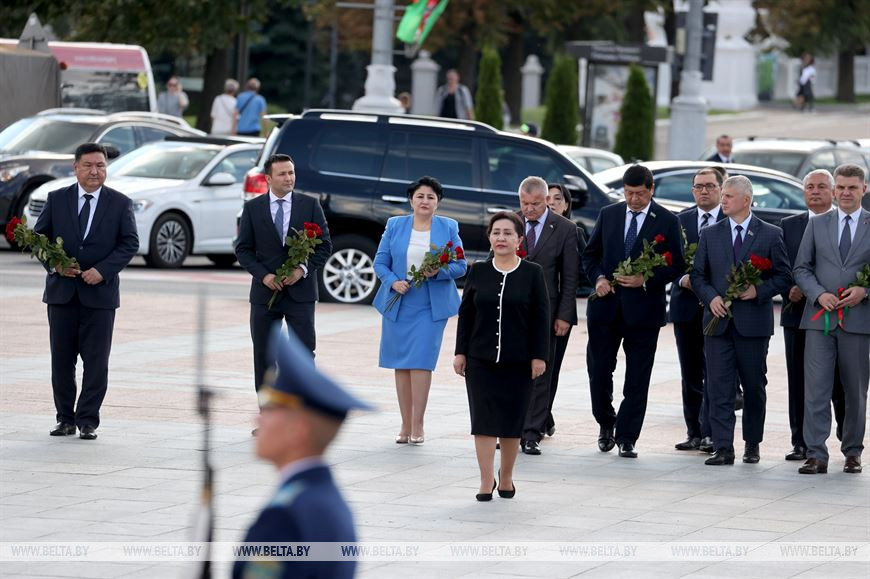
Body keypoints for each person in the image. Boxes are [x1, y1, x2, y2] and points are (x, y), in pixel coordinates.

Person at [233, 327, 371, 579]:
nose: (258, 418)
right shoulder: (326, 501)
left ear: (298, 430)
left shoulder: (285, 515)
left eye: (270, 410)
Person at [33, 142, 139, 439]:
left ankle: (88, 420)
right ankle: (65, 418)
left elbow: (129, 243)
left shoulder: (120, 203)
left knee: (96, 362)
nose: (95, 171)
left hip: (100, 297)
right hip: (62, 295)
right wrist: (55, 265)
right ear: (75, 168)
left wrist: (103, 271)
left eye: (101, 166)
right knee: (62, 360)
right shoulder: (57, 199)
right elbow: (38, 239)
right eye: (89, 165)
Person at [582, 164, 684, 458]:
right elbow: (590, 255)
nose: (634, 200)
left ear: (651, 190)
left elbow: (676, 264)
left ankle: (627, 436)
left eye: (640, 194)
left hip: (644, 311)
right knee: (599, 370)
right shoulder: (609, 214)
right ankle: (606, 423)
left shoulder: (666, 220)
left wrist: (646, 279)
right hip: (606, 309)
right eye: (629, 193)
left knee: (638, 377)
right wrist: (599, 279)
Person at [690, 175, 791, 466]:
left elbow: (784, 277)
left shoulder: (770, 234)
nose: (722, 201)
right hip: (717, 324)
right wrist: (710, 298)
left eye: (728, 197)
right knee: (718, 387)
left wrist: (758, 290)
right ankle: (723, 447)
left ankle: (752, 444)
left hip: (752, 326)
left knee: (754, 387)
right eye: (722, 196)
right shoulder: (710, 233)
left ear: (746, 200)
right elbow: (698, 275)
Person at [454, 212, 549, 501]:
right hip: (480, 360)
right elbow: (466, 314)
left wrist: (539, 356)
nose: (501, 238)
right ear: (489, 237)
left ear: (520, 239)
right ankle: (485, 480)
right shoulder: (479, 271)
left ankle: (505, 476)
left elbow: (541, 317)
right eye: (496, 232)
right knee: (482, 421)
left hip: (519, 361)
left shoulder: (532, 273)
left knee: (511, 422)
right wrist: (460, 352)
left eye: (508, 233)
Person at [372, 176, 467, 445]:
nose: (425, 201)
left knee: (421, 361)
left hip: (430, 305)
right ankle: (404, 424)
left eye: (431, 197)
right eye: (420, 196)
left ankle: (418, 424)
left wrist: (438, 271)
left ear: (438, 203)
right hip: (399, 302)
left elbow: (461, 266)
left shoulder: (448, 227)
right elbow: (380, 262)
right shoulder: (395, 225)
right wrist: (393, 282)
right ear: (411, 199)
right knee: (401, 364)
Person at [235, 154, 333, 401]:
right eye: (282, 174)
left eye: (291, 172)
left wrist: (302, 269)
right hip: (264, 294)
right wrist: (263, 276)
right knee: (264, 356)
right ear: (268, 178)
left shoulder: (310, 205)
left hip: (300, 294)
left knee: (302, 355)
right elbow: (243, 249)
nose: (289, 178)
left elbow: (324, 246)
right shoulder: (252, 208)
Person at [794, 163, 869, 475]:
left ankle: (852, 451)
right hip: (819, 320)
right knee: (816, 389)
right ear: (835, 190)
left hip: (858, 321)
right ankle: (815, 454)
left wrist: (864, 289)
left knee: (855, 391)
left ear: (864, 189)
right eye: (841, 187)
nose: (846, 193)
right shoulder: (818, 224)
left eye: (852, 187)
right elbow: (801, 268)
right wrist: (818, 294)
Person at [780, 169, 847, 462]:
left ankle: (848, 439)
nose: (815, 192)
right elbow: (780, 267)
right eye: (810, 187)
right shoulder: (788, 225)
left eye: (821, 187)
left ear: (832, 191)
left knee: (841, 381)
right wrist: (790, 290)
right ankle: (801, 442)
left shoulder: (845, 223)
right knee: (799, 381)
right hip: (798, 316)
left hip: (843, 314)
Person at [516, 177, 580, 455]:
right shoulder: (511, 223)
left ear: (546, 200)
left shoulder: (565, 228)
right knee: (513, 372)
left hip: (547, 311)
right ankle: (510, 429)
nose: (529, 210)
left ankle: (532, 433)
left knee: (541, 372)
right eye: (524, 204)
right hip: (513, 311)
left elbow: (570, 277)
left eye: (534, 204)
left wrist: (564, 315)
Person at [669, 168, 727, 453]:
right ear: (692, 190)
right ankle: (693, 431)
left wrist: (712, 287)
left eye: (709, 186)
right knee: (690, 372)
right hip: (686, 306)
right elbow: (667, 261)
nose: (704, 191)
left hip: (718, 307)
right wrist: (684, 279)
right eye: (698, 187)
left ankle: (711, 432)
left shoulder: (730, 220)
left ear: (720, 189)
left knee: (715, 372)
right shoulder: (680, 221)